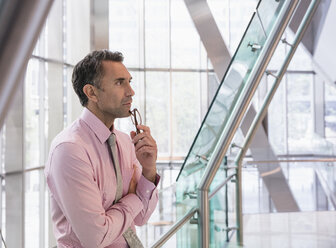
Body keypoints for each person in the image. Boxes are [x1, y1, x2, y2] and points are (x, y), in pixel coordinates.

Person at [45, 50, 159, 248]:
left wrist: (148, 170)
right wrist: (133, 198)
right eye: (119, 82)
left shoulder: (125, 142)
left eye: (129, 81)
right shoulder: (70, 150)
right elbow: (96, 238)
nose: (130, 91)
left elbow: (141, 217)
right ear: (91, 92)